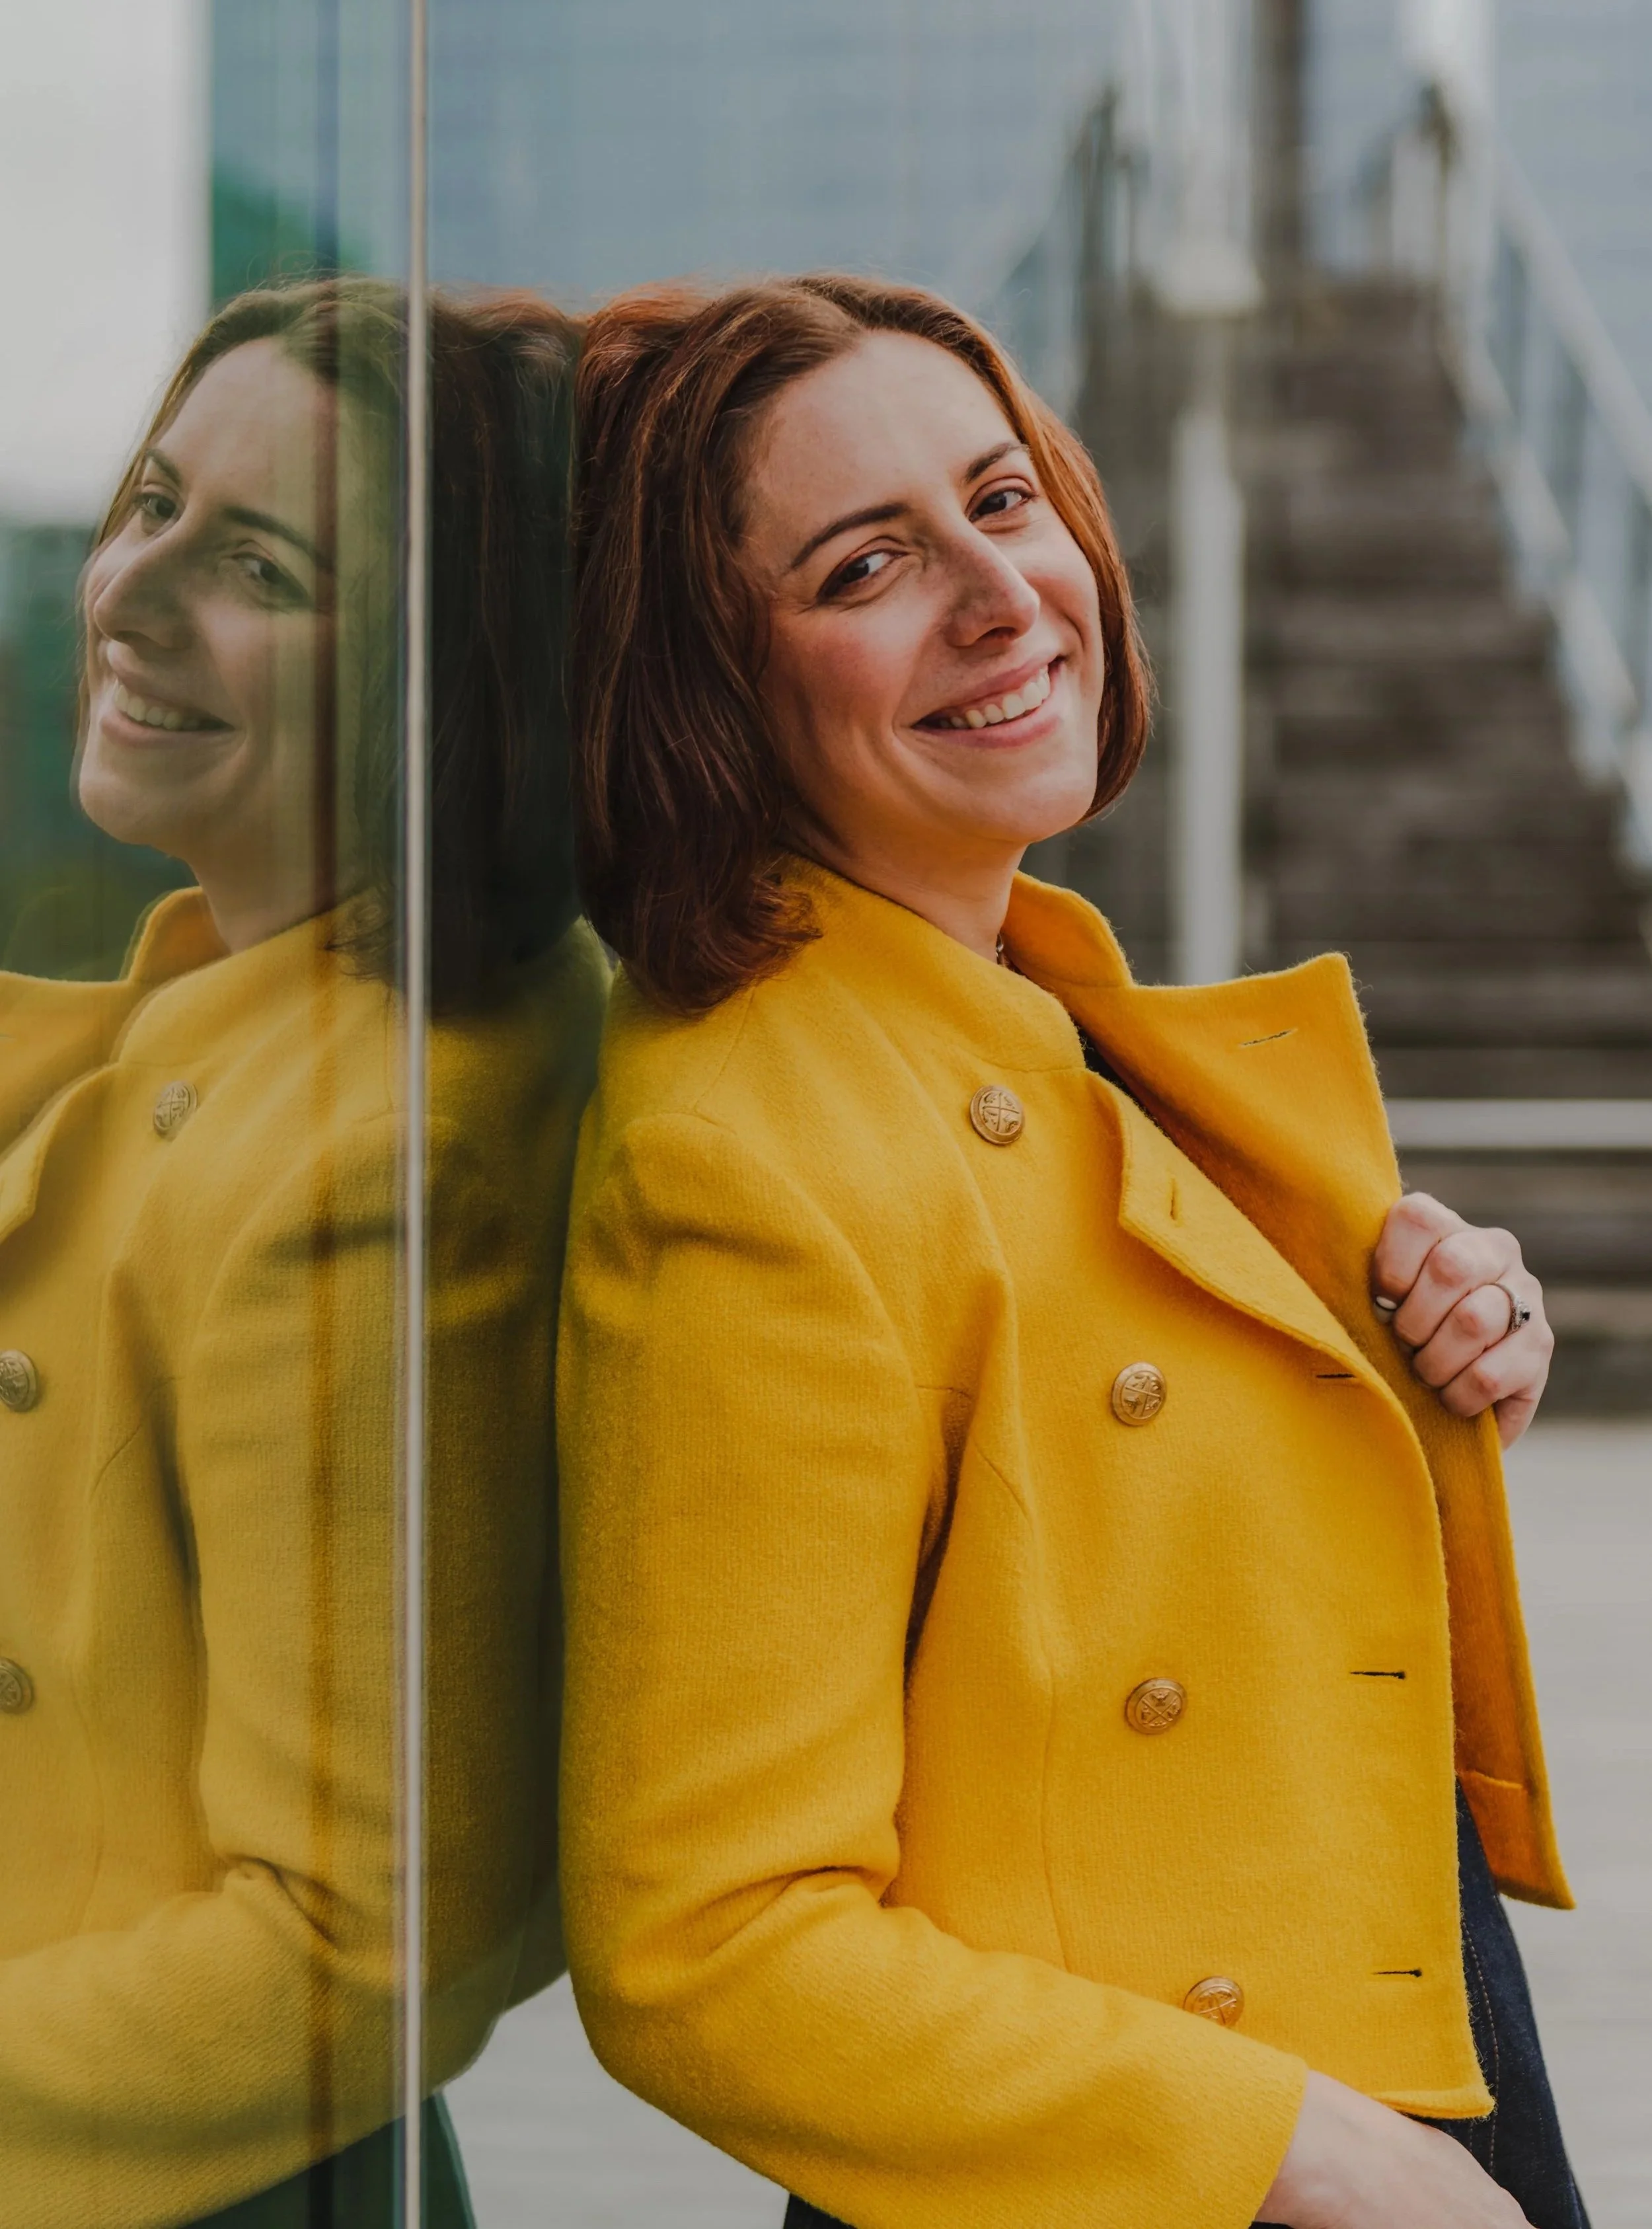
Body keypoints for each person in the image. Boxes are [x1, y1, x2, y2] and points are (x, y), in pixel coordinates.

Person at [555, 273, 1589, 2229]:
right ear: (704, 675)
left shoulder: (1026, 998)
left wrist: (1402, 1359)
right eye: (865, 562)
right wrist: (1329, 2157)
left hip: (1351, 2036)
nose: (995, 594)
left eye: (1002, 499)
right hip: (1159, 2158)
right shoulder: (742, 1155)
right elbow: (710, 1945)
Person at [0, 278, 607, 2227]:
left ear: (445, 668)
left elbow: (357, 1935)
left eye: (255, 560)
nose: (133, 592)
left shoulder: (380, 1150)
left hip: (160, 2166)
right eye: (153, 502)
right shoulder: (253, 1007)